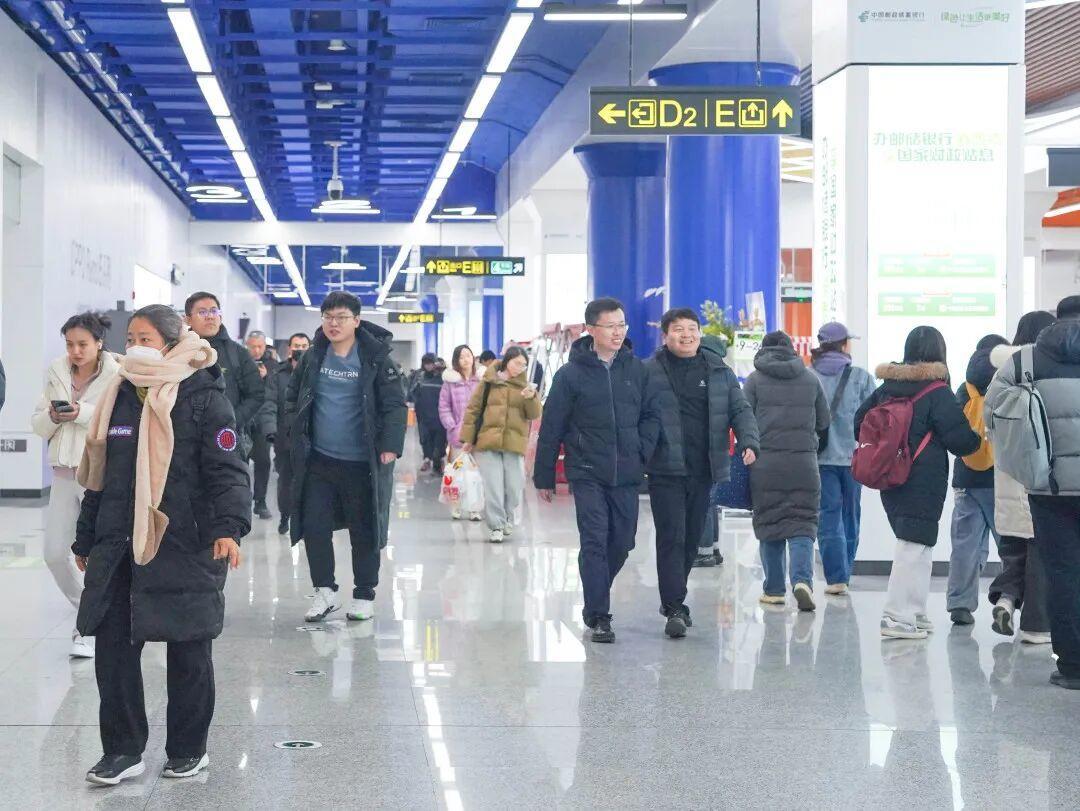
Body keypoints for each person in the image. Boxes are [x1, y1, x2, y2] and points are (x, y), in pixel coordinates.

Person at [72, 305, 249, 785]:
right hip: (119, 540)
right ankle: (122, 751)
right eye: (131, 337)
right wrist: (86, 535)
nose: (135, 346)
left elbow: (228, 471)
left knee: (188, 650)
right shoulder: (119, 393)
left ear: (172, 343)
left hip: (185, 539)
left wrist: (229, 528)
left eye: (145, 338)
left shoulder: (204, 396)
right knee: (113, 650)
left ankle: (188, 749)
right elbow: (100, 475)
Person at [534, 297, 659, 644]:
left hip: (627, 471)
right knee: (594, 539)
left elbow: (652, 415)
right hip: (587, 470)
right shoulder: (570, 375)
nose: (618, 332)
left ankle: (595, 586)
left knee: (623, 541)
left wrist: (642, 450)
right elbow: (552, 427)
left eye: (622, 325)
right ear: (590, 330)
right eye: (610, 326)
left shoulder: (637, 370)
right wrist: (544, 475)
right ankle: (599, 614)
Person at [286, 292, 407, 623]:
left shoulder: (375, 358)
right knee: (314, 525)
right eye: (327, 317)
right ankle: (324, 591)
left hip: (362, 463)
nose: (333, 323)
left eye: (340, 317)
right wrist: (292, 433)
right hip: (319, 460)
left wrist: (390, 445)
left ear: (356, 320)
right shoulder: (314, 356)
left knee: (364, 529)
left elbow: (395, 405)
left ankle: (364, 593)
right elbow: (293, 396)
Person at [855, 326, 981, 640]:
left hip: (891, 476)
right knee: (912, 546)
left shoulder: (887, 388)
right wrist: (980, 438)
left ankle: (915, 611)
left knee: (919, 543)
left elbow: (859, 422)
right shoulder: (937, 391)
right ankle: (897, 617)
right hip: (923, 480)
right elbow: (962, 442)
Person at [644, 308, 759, 638]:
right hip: (665, 468)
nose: (686, 335)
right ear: (665, 335)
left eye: (692, 328)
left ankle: (674, 599)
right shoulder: (649, 371)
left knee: (692, 537)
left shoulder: (717, 369)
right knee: (672, 536)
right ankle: (674, 606)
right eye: (678, 329)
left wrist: (749, 440)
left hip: (704, 467)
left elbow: (740, 408)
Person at [988, 295, 1080, 689]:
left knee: (1061, 572)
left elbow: (993, 413)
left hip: (1048, 487)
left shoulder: (1024, 361)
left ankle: (1072, 666)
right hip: (1050, 488)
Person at [31, 312, 121, 658]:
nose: (75, 351)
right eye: (70, 344)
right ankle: (91, 609)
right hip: (63, 473)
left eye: (83, 344)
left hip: (98, 473)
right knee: (55, 554)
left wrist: (81, 412)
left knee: (96, 553)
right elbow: (38, 424)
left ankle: (88, 628)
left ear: (99, 343)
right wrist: (53, 416)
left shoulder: (117, 373)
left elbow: (117, 420)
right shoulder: (56, 371)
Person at [745, 331, 831, 613]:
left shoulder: (755, 380)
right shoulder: (810, 379)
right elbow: (824, 421)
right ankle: (802, 581)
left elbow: (744, 420)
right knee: (803, 522)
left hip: (765, 463)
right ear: (791, 350)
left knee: (770, 521)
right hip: (803, 463)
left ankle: (773, 590)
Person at [985, 311, 1056, 644]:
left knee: (1014, 550)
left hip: (1007, 473)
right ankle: (1036, 627)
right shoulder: (1048, 367)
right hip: (1040, 472)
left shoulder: (1003, 370)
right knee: (1040, 553)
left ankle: (1006, 600)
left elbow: (988, 420)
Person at [945, 334, 1008, 625]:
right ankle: (1011, 599)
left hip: (967, 478)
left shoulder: (965, 388)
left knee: (965, 545)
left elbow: (955, 431)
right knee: (1011, 546)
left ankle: (960, 604)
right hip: (1002, 478)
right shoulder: (1008, 383)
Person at [810, 322, 877, 594]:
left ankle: (835, 577)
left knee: (827, 516)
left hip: (819, 459)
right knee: (850, 516)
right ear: (843, 344)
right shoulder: (861, 377)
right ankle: (844, 574)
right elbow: (874, 418)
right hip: (853, 459)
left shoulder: (808, 376)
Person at [461, 346, 542, 543]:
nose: (519, 368)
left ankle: (507, 518)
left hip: (514, 444)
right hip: (488, 441)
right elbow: (473, 410)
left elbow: (534, 414)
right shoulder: (489, 381)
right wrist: (468, 439)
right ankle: (496, 525)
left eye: (523, 365)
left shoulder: (525, 386)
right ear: (507, 361)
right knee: (493, 487)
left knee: (514, 486)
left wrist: (531, 398)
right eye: (517, 363)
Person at [183, 292, 264, 462]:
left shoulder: (238, 354)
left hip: (227, 440)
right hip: (185, 442)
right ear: (188, 320)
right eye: (202, 312)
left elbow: (256, 394)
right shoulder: (178, 353)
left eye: (214, 311)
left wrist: (232, 421)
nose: (210, 316)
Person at [272, 332, 310, 535]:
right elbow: (269, 403)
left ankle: (305, 518)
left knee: (309, 481)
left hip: (311, 439)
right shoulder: (278, 375)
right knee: (286, 481)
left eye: (304, 346)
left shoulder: (317, 372)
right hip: (284, 439)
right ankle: (285, 515)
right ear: (289, 349)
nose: (300, 350)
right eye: (296, 346)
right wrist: (269, 430)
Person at [438, 344, 482, 520]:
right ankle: (456, 506)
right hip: (458, 436)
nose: (466, 359)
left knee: (476, 475)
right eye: (461, 357)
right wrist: (452, 426)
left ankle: (475, 509)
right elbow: (444, 407)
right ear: (456, 360)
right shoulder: (450, 383)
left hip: (479, 436)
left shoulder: (481, 381)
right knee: (456, 474)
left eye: (468, 355)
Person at [244, 330, 277, 520]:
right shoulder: (240, 362)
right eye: (253, 346)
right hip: (243, 420)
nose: (256, 350)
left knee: (263, 461)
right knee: (241, 463)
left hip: (262, 422)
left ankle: (260, 501)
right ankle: (243, 500)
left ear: (265, 346)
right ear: (247, 346)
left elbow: (276, 391)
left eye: (260, 346)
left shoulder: (273, 366)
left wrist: (266, 377)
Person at [411, 352, 447, 474]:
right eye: (426, 363)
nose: (428, 366)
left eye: (431, 363)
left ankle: (439, 461)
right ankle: (427, 459)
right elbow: (412, 393)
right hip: (424, 416)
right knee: (425, 439)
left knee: (439, 441)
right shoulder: (420, 377)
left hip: (439, 416)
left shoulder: (443, 377)